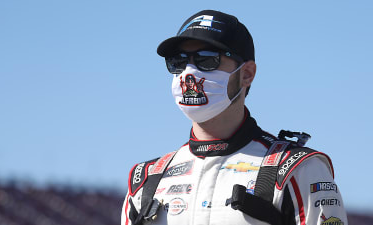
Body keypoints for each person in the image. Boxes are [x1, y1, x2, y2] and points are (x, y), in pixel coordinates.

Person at [121, 10, 347, 225]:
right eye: (178, 62)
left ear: (247, 74)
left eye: (207, 60)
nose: (189, 72)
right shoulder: (146, 180)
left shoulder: (296, 169)